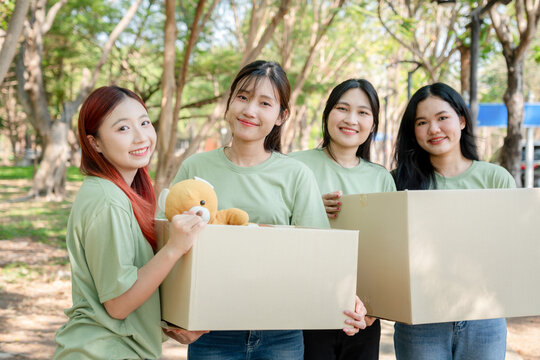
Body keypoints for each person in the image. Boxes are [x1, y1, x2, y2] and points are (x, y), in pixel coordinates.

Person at [172, 60, 369, 359]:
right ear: (229, 103)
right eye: (242, 97)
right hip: (210, 331)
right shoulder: (195, 166)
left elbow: (318, 252)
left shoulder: (296, 174)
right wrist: (173, 318)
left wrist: (348, 299)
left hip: (281, 333)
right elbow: (170, 245)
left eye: (265, 103)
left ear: (281, 115)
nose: (250, 110)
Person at [53, 86, 207, 359]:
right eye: (123, 128)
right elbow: (117, 305)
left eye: (144, 122)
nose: (141, 137)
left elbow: (126, 287)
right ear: (94, 143)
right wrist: (174, 248)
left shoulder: (122, 194)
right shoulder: (108, 199)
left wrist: (167, 326)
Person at [392, 82, 514, 360]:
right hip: (420, 322)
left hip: (484, 316)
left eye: (442, 118)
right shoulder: (397, 182)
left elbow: (510, 247)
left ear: (461, 120)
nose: (433, 129)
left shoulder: (496, 179)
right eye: (422, 122)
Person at [290, 78, 395, 360]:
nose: (351, 119)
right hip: (305, 313)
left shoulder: (381, 177)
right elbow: (275, 231)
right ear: (327, 116)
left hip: (363, 317)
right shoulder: (294, 166)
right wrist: (309, 210)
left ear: (373, 125)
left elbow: (389, 252)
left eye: (363, 113)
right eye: (342, 108)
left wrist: (373, 311)